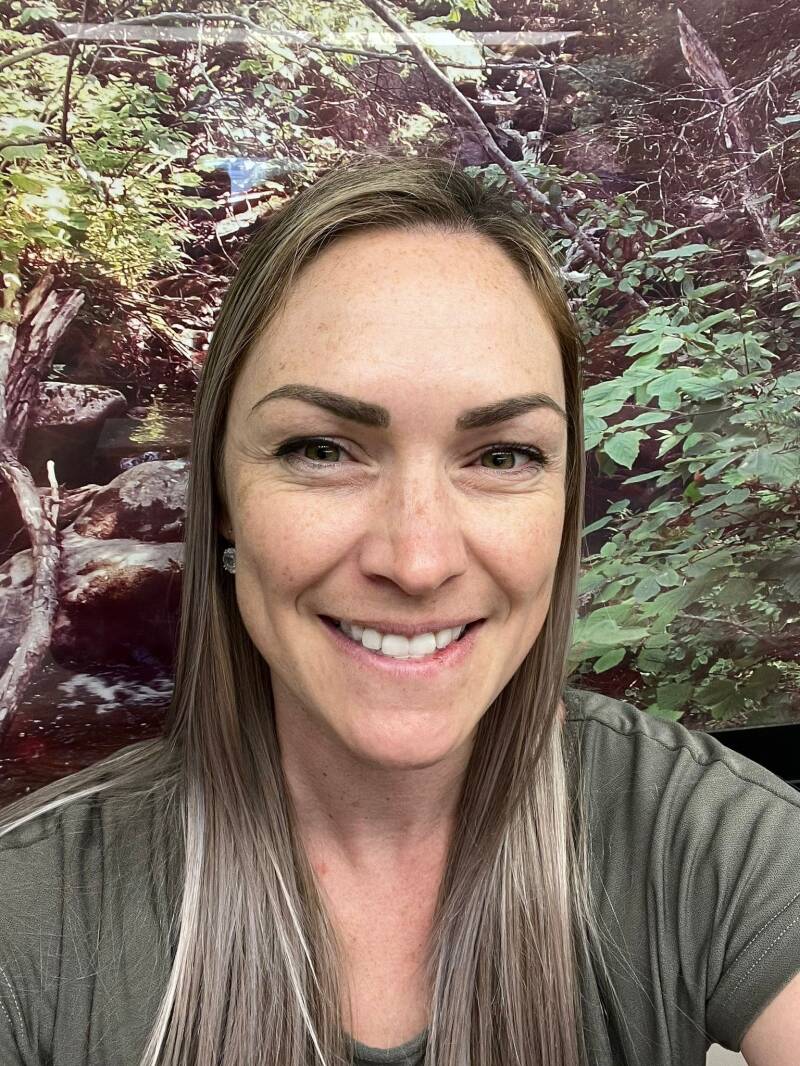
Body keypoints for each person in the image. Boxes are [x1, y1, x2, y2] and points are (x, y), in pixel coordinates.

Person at [0, 151, 798, 1066]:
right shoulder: (31, 918)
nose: (418, 562)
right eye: (321, 449)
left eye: (501, 456)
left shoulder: (703, 839)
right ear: (219, 496)